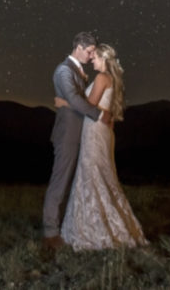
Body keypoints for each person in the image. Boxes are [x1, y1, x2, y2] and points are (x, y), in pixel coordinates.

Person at [57, 43, 147, 251]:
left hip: (94, 132)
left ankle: (95, 230)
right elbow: (107, 112)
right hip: (102, 131)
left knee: (92, 174)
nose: (92, 60)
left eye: (95, 57)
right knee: (101, 176)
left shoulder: (101, 78)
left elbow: (87, 105)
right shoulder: (112, 80)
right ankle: (98, 225)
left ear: (105, 59)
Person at [41, 31, 110, 249]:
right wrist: (99, 115)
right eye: (89, 52)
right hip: (68, 135)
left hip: (82, 134)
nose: (91, 57)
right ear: (79, 47)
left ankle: (72, 226)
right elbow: (75, 100)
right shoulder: (63, 71)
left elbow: (74, 101)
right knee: (60, 182)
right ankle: (50, 234)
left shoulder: (77, 72)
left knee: (75, 183)